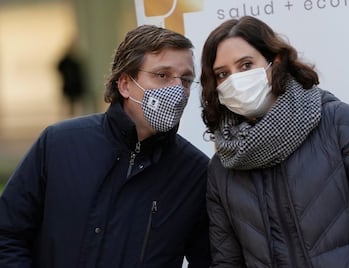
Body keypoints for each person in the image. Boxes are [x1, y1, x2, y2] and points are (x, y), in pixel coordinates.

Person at [200, 16, 349, 267]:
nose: (234, 80)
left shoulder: (336, 122)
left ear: (275, 61)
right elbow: (227, 261)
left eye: (246, 65)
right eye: (222, 74)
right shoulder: (223, 166)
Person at [0, 25, 211, 268]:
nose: (177, 90)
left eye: (185, 80)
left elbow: (208, 260)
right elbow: (7, 235)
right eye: (162, 75)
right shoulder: (59, 145)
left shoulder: (194, 172)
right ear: (125, 84)